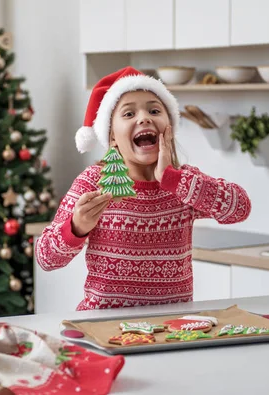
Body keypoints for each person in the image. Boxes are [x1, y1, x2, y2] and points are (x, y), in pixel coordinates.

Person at [35, 66, 251, 310]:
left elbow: (240, 207)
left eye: (154, 110)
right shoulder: (94, 181)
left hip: (169, 328)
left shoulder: (185, 183)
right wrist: (76, 227)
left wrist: (174, 180)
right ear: (112, 136)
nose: (144, 118)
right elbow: (45, 258)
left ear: (169, 126)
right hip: (103, 327)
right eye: (128, 114)